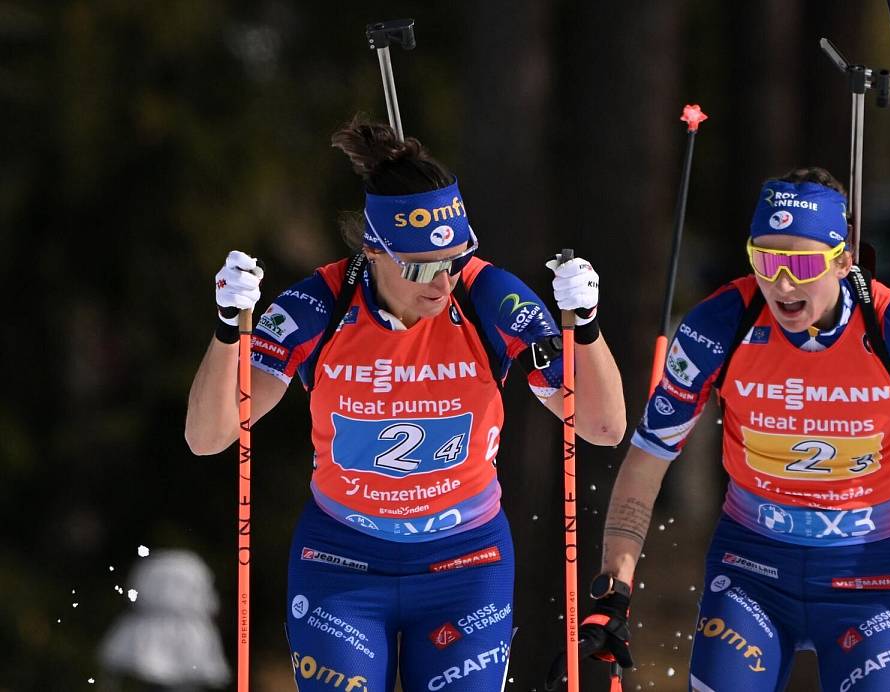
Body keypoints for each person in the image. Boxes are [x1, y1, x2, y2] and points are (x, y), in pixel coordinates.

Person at [558, 168, 890, 692]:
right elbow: (649, 456)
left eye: (803, 262)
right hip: (752, 567)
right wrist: (615, 589)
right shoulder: (721, 324)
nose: (782, 283)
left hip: (868, 576)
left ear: (843, 262)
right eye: (765, 259)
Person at [185, 118, 626, 691]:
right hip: (340, 562)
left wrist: (584, 329)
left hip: (465, 563)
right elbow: (208, 436)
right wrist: (227, 331)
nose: (442, 282)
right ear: (373, 251)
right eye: (420, 265)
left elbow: (602, 425)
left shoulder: (487, 295)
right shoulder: (320, 304)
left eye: (453, 259)